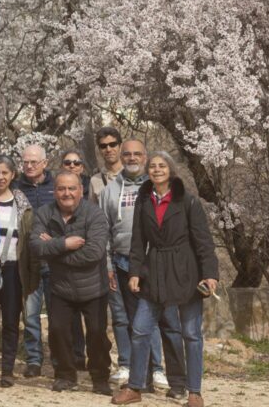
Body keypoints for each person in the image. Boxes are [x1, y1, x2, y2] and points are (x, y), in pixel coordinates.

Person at [112, 153, 218, 407]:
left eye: (162, 166)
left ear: (171, 170)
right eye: (153, 166)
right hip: (154, 272)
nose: (157, 170)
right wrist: (135, 272)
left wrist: (210, 274)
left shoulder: (188, 201)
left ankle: (194, 392)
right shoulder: (144, 200)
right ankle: (135, 387)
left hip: (186, 273)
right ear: (148, 171)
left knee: (191, 334)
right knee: (139, 329)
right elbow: (138, 240)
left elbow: (203, 241)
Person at [30, 172, 112, 395]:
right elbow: (36, 247)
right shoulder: (45, 213)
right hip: (61, 286)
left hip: (93, 286)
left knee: (96, 333)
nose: (67, 193)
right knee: (58, 331)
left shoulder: (94, 214)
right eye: (61, 189)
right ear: (54, 191)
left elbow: (93, 253)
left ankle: (100, 377)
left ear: (81, 191)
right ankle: (65, 375)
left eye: (72, 188)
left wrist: (54, 251)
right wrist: (65, 244)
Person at [103, 140, 175, 392]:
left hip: (152, 263)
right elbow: (104, 232)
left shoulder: (153, 187)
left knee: (151, 318)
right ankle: (127, 364)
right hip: (120, 261)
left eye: (137, 154)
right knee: (123, 318)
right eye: (127, 154)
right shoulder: (110, 190)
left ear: (145, 157)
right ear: (121, 158)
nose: (132, 158)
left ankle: (156, 369)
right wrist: (108, 266)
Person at [0, 156, 36, 387]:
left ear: (13, 174)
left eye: (5, 172)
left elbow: (27, 234)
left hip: (13, 267)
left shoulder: (22, 202)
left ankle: (7, 370)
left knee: (12, 319)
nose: (1, 177)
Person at [16, 143, 56, 378]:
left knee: (57, 313)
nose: (29, 166)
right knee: (30, 313)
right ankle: (33, 359)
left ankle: (60, 357)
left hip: (53, 258)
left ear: (45, 163)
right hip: (27, 260)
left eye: (34, 162)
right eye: (26, 162)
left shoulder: (56, 186)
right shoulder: (17, 187)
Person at [91, 127, 124, 202]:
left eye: (113, 144)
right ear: (99, 150)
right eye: (103, 146)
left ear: (120, 146)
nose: (108, 149)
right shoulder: (94, 181)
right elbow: (92, 211)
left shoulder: (131, 176)